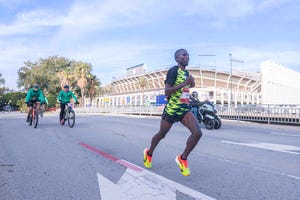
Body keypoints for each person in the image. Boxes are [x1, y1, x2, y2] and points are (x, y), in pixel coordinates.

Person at [143, 49, 202, 176]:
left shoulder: (186, 73)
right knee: (161, 134)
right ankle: (149, 153)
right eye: (184, 55)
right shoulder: (173, 71)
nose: (187, 57)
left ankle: (183, 158)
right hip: (171, 109)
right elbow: (167, 91)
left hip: (183, 109)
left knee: (197, 133)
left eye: (188, 55)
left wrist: (191, 83)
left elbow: (187, 87)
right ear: (177, 59)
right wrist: (184, 83)